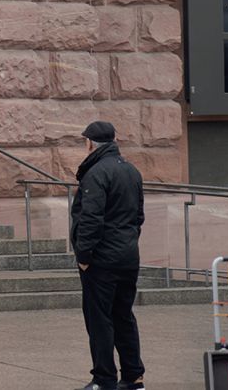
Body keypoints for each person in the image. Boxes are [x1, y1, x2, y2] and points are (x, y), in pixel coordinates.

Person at [71, 121, 146, 390]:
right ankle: (133, 376)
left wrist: (84, 255)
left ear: (90, 143)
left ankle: (104, 379)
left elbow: (91, 218)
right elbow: (138, 217)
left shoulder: (96, 174)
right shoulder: (131, 171)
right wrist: (127, 243)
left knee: (100, 320)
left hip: (101, 260)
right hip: (127, 256)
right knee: (123, 315)